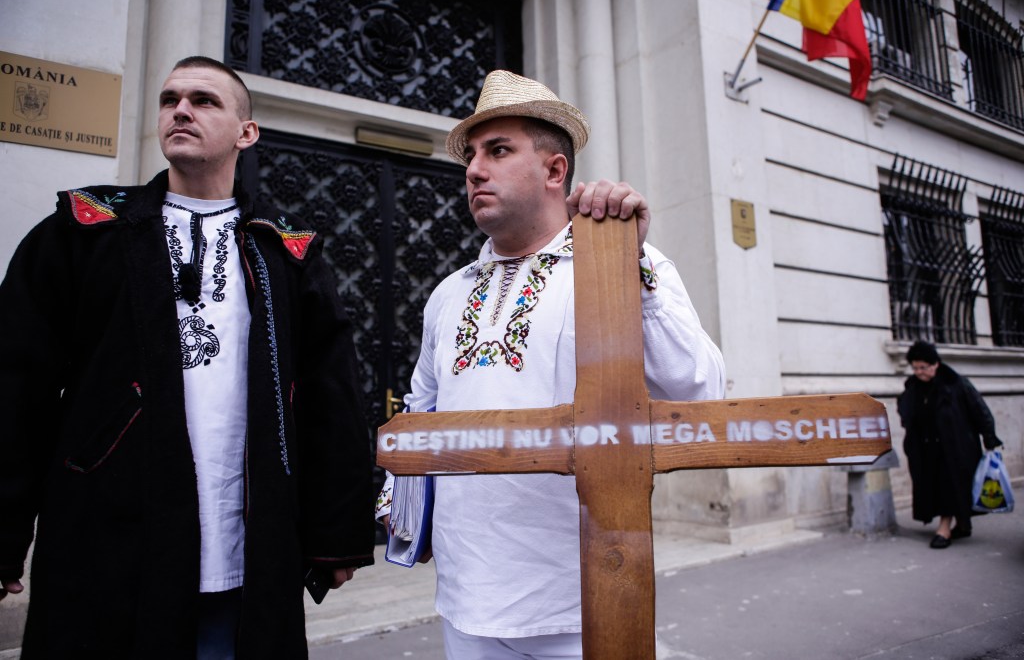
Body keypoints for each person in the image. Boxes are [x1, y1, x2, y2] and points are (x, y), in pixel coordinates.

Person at [0, 56, 376, 658]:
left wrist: (337, 533)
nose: (180, 110)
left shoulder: (285, 252)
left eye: (203, 101)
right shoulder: (86, 232)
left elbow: (332, 396)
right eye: (169, 99)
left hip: (245, 550)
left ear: (246, 132)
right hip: (107, 537)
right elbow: (17, 386)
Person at [374, 70, 726, 659]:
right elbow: (422, 413)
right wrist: (402, 509)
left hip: (582, 597)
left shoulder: (621, 263)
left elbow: (700, 393)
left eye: (498, 151)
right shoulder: (448, 294)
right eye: (471, 156)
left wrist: (631, 264)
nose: (474, 170)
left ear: (555, 170)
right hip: (464, 595)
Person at [897, 340, 1002, 549]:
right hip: (926, 448)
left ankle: (944, 529)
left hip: (955, 446)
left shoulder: (957, 384)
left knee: (950, 486)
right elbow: (908, 414)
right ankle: (963, 524)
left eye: (923, 368)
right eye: (915, 368)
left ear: (935, 364)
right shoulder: (913, 387)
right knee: (936, 487)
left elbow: (980, 411)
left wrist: (989, 438)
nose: (919, 372)